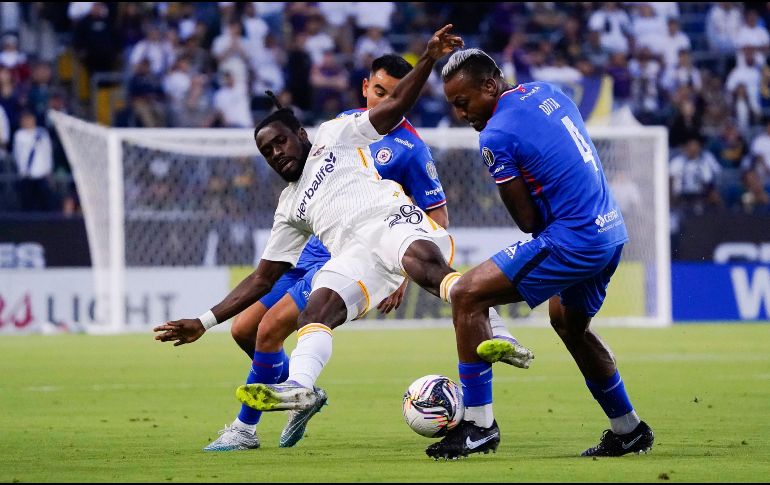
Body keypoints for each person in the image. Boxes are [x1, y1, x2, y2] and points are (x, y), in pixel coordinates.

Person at [154, 26, 533, 453]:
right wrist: (203, 322)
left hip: (394, 223)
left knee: (423, 267)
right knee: (316, 308)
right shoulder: (288, 207)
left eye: (280, 142)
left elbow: (391, 111)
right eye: (267, 152)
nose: (276, 153)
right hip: (352, 255)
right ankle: (299, 387)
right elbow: (262, 279)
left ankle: (497, 326)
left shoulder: (338, 134)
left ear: (301, 135)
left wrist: (428, 58)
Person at [429, 48, 654, 459]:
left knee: (466, 294)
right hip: (610, 230)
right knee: (568, 323)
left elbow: (528, 222)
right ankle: (629, 429)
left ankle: (478, 426)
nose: (460, 114)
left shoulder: (496, 135)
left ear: (490, 86)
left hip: (576, 237)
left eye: (463, 103)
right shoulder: (548, 92)